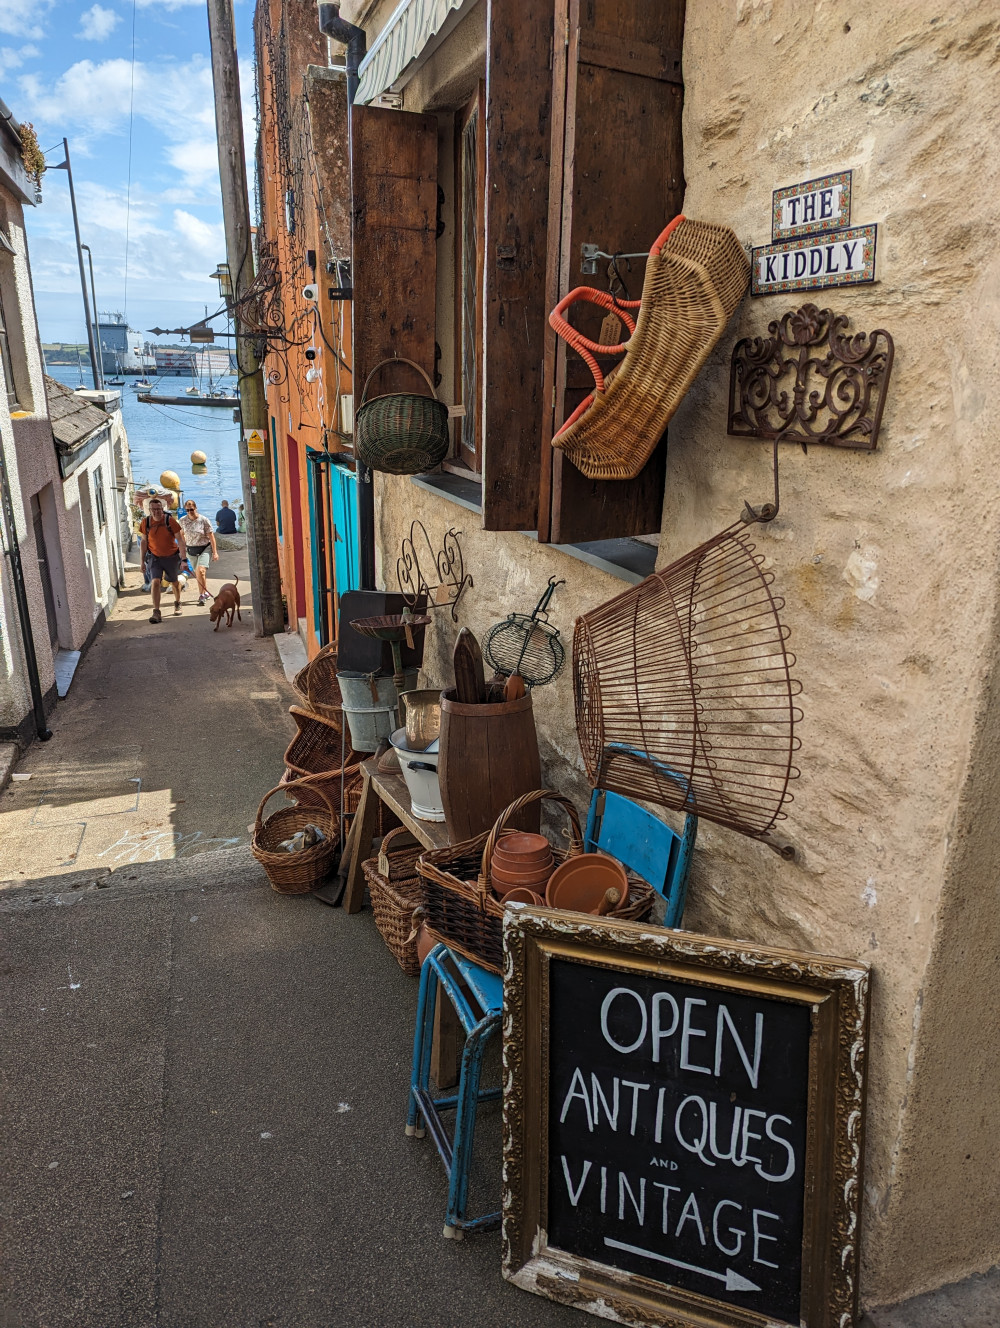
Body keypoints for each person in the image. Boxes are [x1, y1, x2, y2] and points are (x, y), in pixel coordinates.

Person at [140, 496, 188, 624]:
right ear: (149, 510)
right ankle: (156, 612)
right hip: (155, 558)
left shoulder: (170, 521)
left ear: (162, 509)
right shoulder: (146, 522)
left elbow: (181, 541)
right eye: (153, 509)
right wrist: (142, 561)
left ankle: (177, 602)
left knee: (174, 582)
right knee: (155, 581)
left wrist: (184, 559)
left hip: (171, 557)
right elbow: (144, 542)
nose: (156, 512)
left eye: (158, 509)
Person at [179, 499, 218, 605]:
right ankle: (205, 593)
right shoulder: (182, 520)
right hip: (191, 549)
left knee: (200, 571)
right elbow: (181, 534)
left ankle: (201, 595)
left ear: (195, 508)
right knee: (200, 574)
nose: (189, 512)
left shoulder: (203, 520)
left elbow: (211, 536)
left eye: (191, 509)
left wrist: (215, 552)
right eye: (187, 510)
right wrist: (182, 548)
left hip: (204, 548)